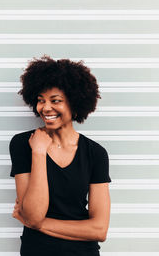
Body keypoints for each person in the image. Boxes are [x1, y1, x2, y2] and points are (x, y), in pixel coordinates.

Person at [9, 55, 112, 256]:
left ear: (75, 104)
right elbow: (33, 214)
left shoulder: (95, 154)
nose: (46, 108)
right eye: (40, 100)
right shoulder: (23, 145)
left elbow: (99, 230)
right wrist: (38, 152)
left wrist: (38, 224)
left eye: (55, 101)